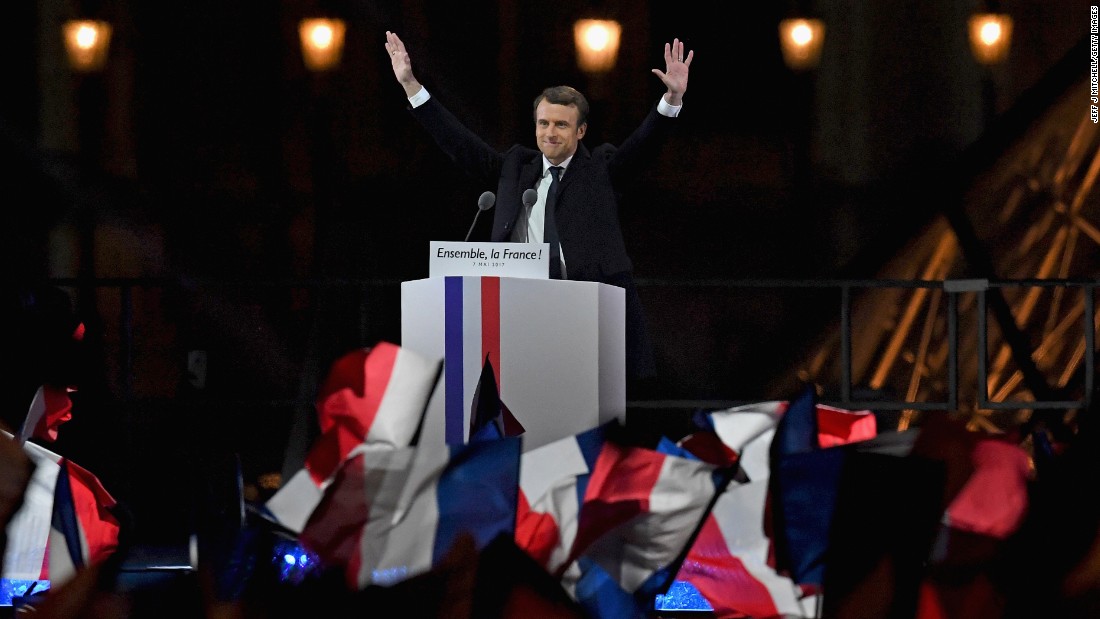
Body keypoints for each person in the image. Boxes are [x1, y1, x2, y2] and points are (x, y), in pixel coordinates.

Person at [384, 30, 693, 392]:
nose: (550, 132)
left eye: (561, 124)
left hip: (587, 315)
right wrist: (411, 86)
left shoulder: (601, 170)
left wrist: (671, 100)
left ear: (581, 131)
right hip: (519, 313)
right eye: (543, 123)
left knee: (581, 416)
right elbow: (459, 143)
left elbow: (643, 147)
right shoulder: (516, 167)